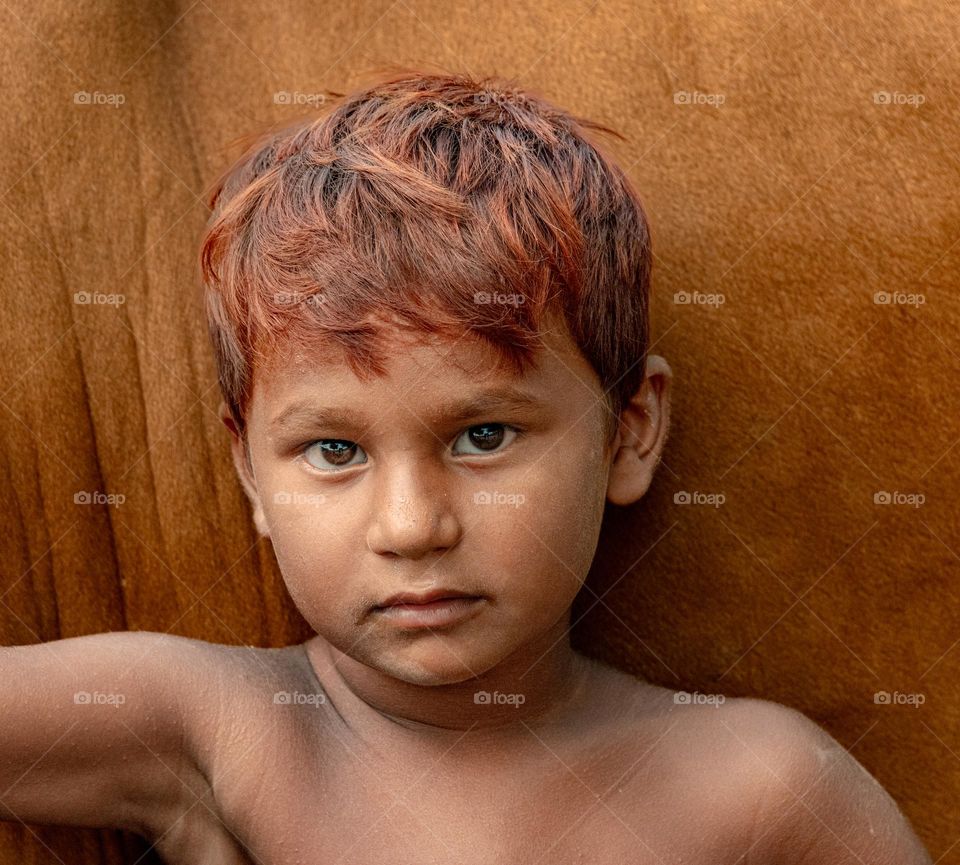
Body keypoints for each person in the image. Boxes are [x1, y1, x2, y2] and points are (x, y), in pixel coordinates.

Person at [0, 68, 933, 864]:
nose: (412, 526)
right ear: (249, 472)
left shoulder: (758, 786)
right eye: (335, 450)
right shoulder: (226, 728)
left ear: (631, 430)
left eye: (483, 436)